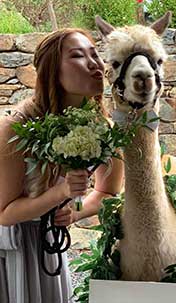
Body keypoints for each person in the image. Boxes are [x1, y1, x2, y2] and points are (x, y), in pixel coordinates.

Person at [0, 28, 124, 303]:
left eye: (95, 54)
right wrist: (61, 193)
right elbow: (4, 213)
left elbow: (109, 192)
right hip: (13, 249)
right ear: (52, 72)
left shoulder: (104, 128)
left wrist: (74, 212)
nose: (94, 64)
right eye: (78, 56)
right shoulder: (15, 128)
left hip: (50, 245)